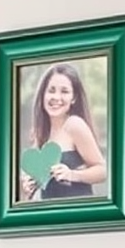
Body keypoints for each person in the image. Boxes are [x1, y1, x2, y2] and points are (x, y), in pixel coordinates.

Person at [20, 62, 106, 200]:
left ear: (74, 98)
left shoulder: (74, 125)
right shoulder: (40, 133)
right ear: (43, 95)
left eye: (64, 91)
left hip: (79, 215)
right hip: (50, 216)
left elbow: (102, 171)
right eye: (51, 90)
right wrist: (28, 184)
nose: (56, 97)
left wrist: (72, 175)